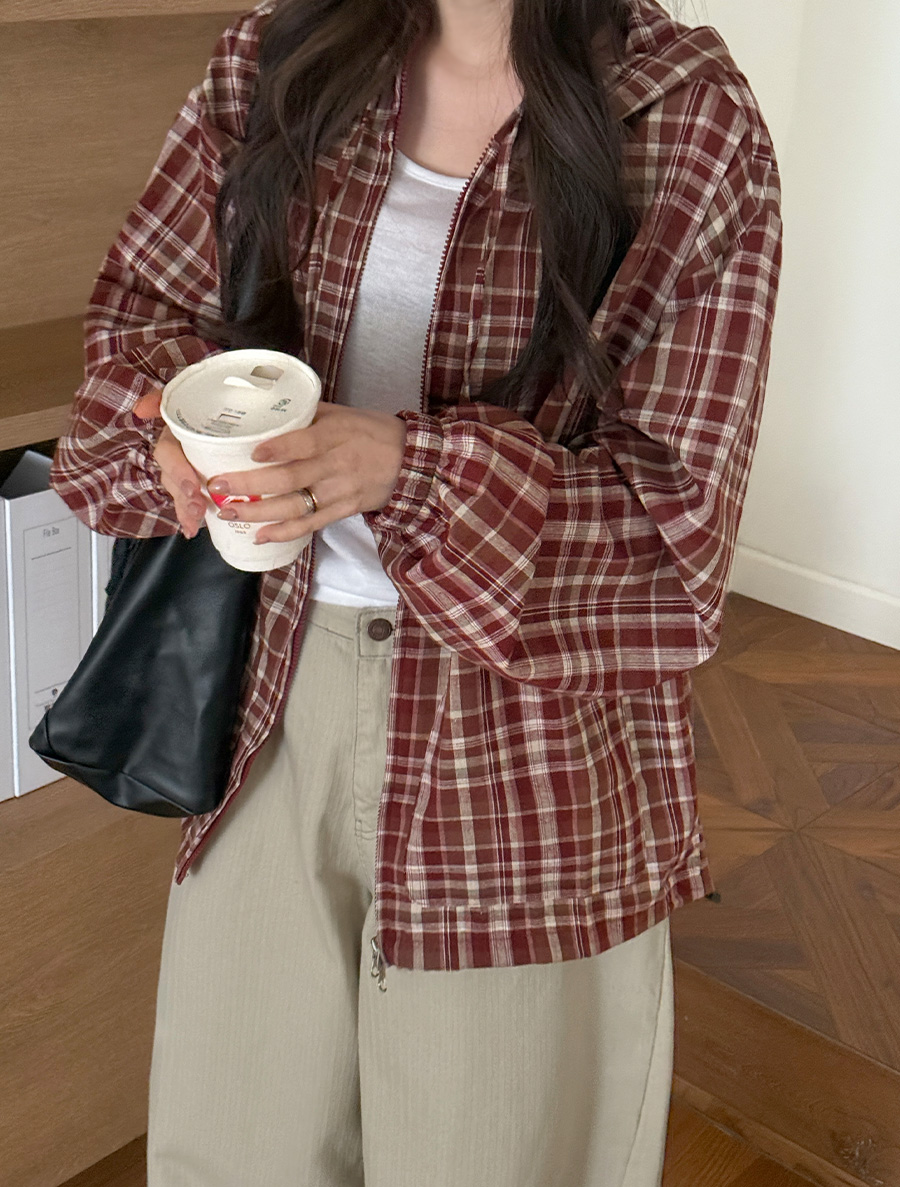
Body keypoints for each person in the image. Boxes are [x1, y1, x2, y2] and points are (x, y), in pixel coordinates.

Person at [51, 0, 781, 1181]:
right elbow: (140, 324)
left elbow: (672, 545)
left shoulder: (685, 113)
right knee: (237, 1145)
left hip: (530, 744)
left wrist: (409, 466)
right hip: (269, 703)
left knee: (492, 1151)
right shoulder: (273, 59)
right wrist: (168, 426)